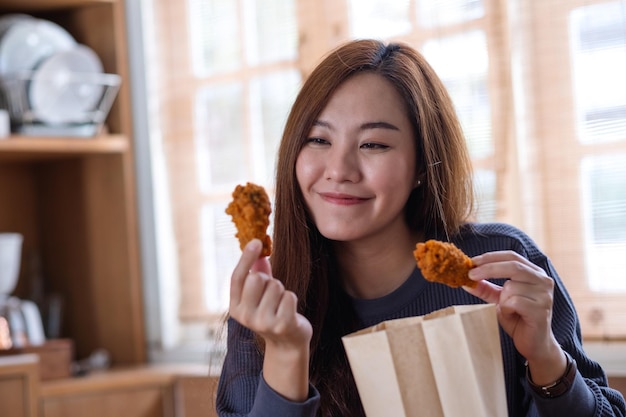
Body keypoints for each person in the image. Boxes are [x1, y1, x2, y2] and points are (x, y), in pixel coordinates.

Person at [215, 39, 626, 417]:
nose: (339, 170)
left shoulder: (502, 271)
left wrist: (546, 359)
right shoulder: (268, 303)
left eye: (373, 144)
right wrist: (286, 353)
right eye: (318, 140)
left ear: (421, 167)